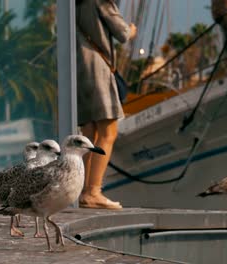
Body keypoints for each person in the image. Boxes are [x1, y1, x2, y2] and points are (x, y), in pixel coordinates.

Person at [76, 0, 137, 209]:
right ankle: (93, 191)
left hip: (80, 68)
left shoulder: (73, 4)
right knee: (108, 131)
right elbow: (123, 34)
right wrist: (132, 30)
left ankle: (84, 191)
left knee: (89, 132)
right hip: (97, 68)